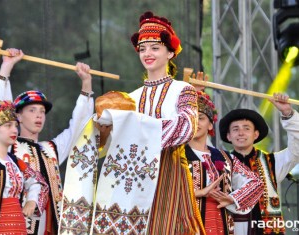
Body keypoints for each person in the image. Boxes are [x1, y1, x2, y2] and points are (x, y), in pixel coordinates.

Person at [59, 11, 205, 235]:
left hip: (169, 176)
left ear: (170, 52)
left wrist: (136, 125)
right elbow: (108, 146)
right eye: (143, 48)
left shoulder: (182, 89)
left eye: (155, 47)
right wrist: (103, 130)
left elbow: (187, 127)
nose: (147, 53)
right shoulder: (130, 98)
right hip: (131, 181)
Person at [0, 49, 94, 234]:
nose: (39, 116)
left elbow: (78, 128)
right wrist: (7, 67)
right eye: (32, 110)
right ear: (17, 115)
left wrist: (86, 84)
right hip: (14, 226)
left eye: (42, 112)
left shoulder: (51, 149)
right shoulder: (8, 147)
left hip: (48, 227)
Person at [185, 90, 264, 235]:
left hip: (220, 224)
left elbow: (256, 183)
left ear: (210, 125)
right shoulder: (175, 156)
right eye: (191, 118)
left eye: (201, 118)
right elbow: (159, 189)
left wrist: (232, 198)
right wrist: (197, 193)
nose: (195, 122)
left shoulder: (226, 157)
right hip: (187, 224)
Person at [219, 93, 299, 234]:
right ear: (228, 136)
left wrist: (287, 113)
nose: (241, 133)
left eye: (246, 128)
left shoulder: (272, 162)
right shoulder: (219, 163)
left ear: (256, 135)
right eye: (235, 129)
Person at [0, 100, 49, 235]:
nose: (14, 130)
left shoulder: (16, 162)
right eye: (8, 125)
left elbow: (40, 182)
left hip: (17, 225)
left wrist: (32, 200)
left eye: (16, 125)